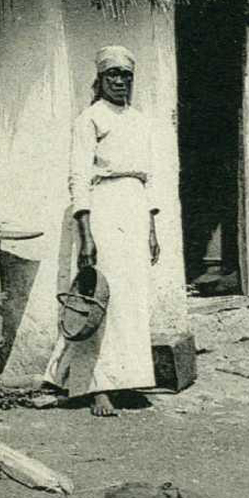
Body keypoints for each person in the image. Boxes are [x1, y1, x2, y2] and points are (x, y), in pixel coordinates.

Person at [46, 45, 161, 416]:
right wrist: (87, 233)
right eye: (112, 75)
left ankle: (127, 380)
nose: (120, 82)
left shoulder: (141, 120)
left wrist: (152, 228)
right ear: (100, 79)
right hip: (104, 209)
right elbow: (79, 178)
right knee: (102, 297)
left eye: (126, 76)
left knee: (132, 300)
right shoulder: (90, 119)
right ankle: (96, 387)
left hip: (134, 208)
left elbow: (149, 177)